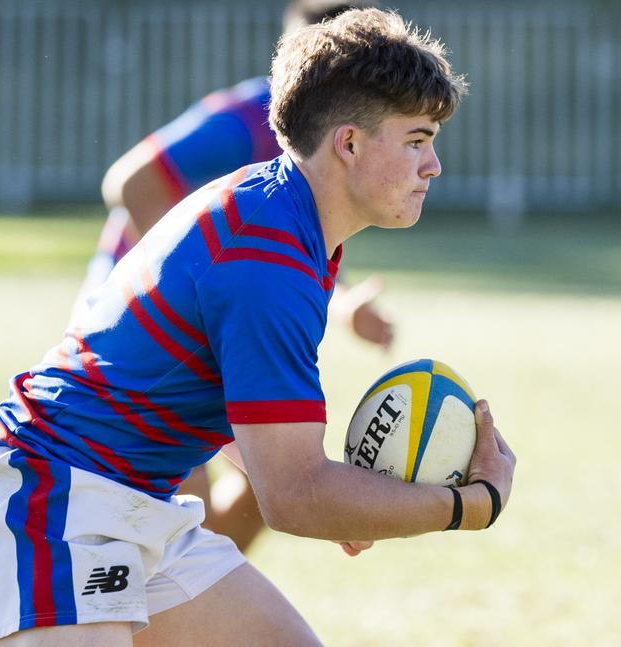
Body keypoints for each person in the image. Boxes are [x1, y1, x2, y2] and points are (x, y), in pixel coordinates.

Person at [0, 8, 515, 647]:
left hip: (136, 501)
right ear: (348, 143)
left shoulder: (297, 223)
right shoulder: (270, 256)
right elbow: (293, 495)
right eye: (417, 140)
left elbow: (264, 446)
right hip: (53, 501)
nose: (433, 165)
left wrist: (341, 493)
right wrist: (469, 506)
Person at [76, 0, 392, 553]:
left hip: (217, 323)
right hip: (151, 328)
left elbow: (276, 260)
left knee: (258, 494)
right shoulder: (249, 118)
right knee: (179, 502)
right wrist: (189, 280)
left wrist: (342, 308)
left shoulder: (342, 143)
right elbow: (130, 182)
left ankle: (180, 605)